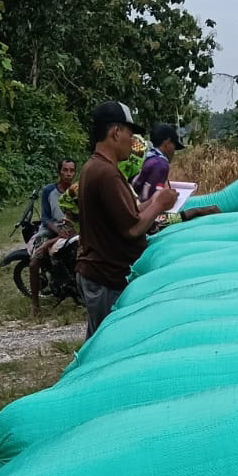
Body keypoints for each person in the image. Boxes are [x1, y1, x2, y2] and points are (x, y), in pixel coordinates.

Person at [76, 102, 178, 339]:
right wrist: (160, 204)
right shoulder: (106, 173)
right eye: (130, 134)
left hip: (99, 273)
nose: (132, 141)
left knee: (100, 341)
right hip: (105, 277)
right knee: (108, 346)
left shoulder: (97, 168)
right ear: (115, 133)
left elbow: (126, 212)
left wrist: (154, 201)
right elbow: (132, 227)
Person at [30, 159, 77, 317]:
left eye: (71, 170)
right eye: (65, 170)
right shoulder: (49, 191)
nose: (68, 174)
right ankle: (35, 303)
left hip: (70, 229)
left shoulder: (76, 191)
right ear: (59, 171)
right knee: (34, 261)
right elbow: (45, 217)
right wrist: (57, 230)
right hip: (51, 229)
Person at [131, 123, 184, 202]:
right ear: (167, 143)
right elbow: (153, 201)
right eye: (174, 146)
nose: (174, 151)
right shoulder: (161, 165)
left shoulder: (148, 158)